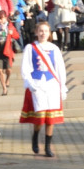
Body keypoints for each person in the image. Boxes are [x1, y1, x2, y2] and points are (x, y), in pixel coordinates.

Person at [21, 20, 68, 157]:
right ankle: (35, 135)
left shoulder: (54, 48)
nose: (43, 33)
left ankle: (48, 147)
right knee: (40, 117)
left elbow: (60, 69)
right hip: (38, 85)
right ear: (36, 32)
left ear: (49, 33)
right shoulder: (30, 48)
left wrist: (62, 86)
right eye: (41, 31)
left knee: (51, 118)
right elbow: (26, 67)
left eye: (46, 31)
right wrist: (30, 83)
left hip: (52, 85)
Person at [0, 10, 20, 96]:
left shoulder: (9, 26)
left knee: (8, 70)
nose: (0, 21)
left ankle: (7, 79)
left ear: (5, 18)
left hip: (7, 49)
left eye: (2, 18)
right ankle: (4, 88)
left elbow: (17, 36)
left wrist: (11, 33)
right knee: (0, 70)